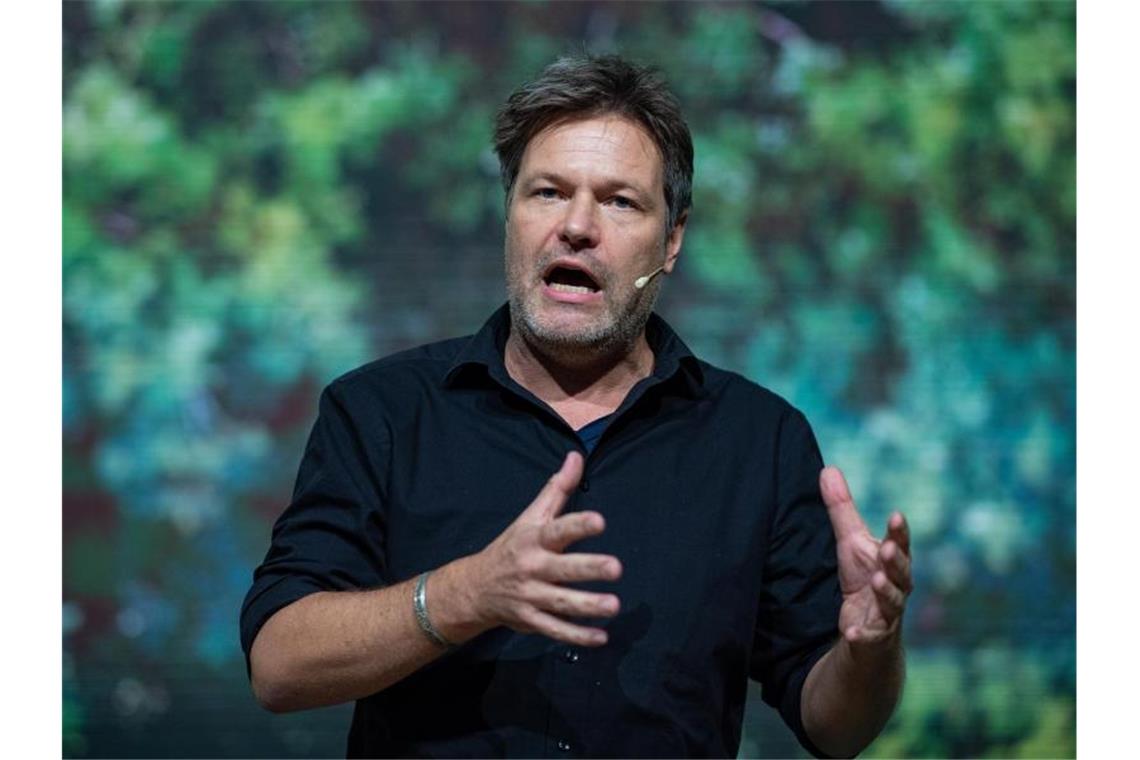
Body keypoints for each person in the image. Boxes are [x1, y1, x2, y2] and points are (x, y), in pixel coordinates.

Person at [240, 54, 912, 758]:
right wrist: (466, 594)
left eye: (620, 201)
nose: (578, 227)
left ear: (672, 239)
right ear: (510, 214)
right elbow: (279, 666)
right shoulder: (380, 411)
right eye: (548, 193)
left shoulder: (760, 441)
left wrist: (871, 648)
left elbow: (838, 727)